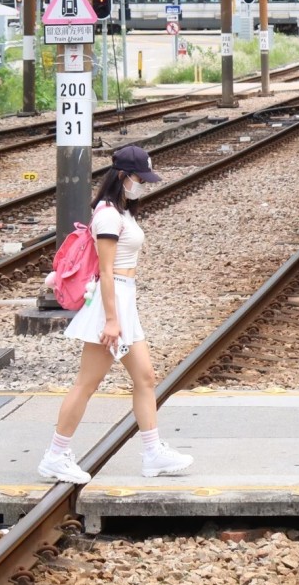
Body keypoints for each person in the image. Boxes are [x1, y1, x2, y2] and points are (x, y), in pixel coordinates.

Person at [37, 145, 194, 484]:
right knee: (87, 383)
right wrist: (111, 320)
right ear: (122, 176)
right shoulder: (107, 215)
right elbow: (106, 272)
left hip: (123, 301)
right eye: (140, 178)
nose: (143, 184)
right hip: (111, 303)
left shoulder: (121, 212)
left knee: (146, 378)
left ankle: (152, 453)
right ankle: (55, 455)